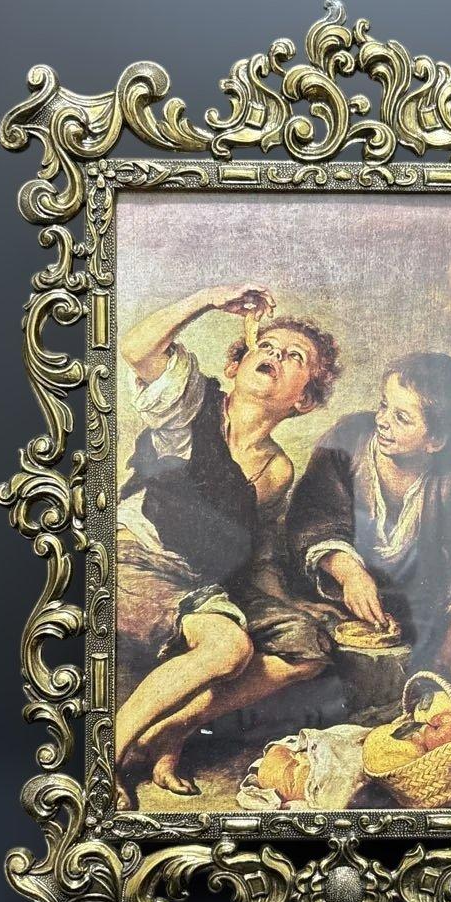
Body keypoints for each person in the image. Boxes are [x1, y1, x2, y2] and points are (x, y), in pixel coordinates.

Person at [114, 283, 341, 803]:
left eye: (295, 357)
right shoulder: (190, 410)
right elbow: (136, 349)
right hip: (136, 559)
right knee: (229, 647)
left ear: (303, 399)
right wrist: (210, 299)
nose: (276, 355)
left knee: (307, 647)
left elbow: (255, 558)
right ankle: (108, 754)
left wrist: (288, 605)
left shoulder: (277, 469)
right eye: (267, 345)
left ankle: (170, 730)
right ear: (236, 366)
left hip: (199, 585)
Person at [287, 352, 451, 677]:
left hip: (417, 614)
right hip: (330, 596)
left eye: (402, 418)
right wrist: (350, 573)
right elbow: (313, 514)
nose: (382, 420)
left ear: (435, 440)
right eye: (384, 406)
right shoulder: (350, 438)